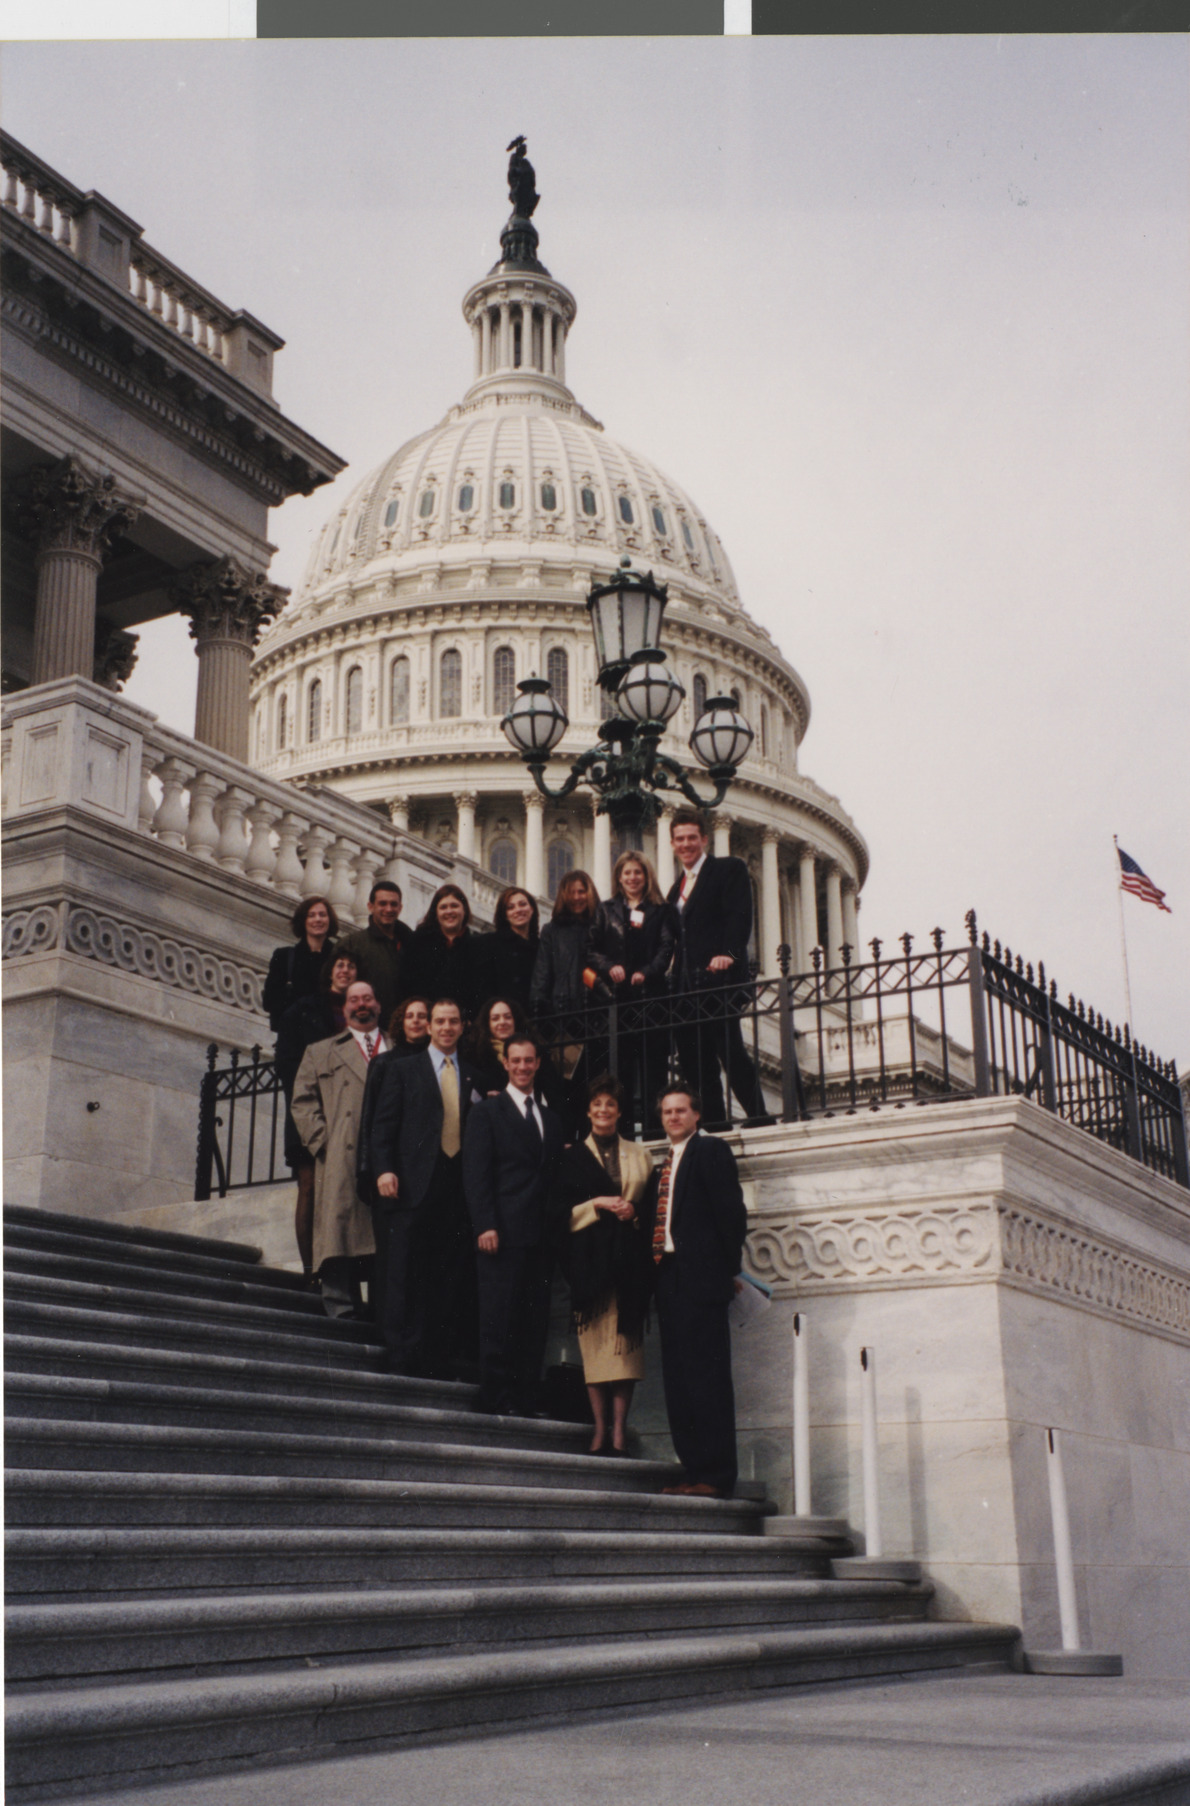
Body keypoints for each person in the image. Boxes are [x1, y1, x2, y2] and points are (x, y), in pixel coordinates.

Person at [366, 997, 486, 1377]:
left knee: (446, 1271)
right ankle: (400, 1353)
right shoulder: (404, 1069)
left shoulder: (473, 1074)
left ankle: (435, 1354)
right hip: (412, 1183)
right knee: (404, 1270)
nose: (447, 1028)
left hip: (455, 1185)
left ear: (461, 1027)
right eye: (440, 1021)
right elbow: (382, 1128)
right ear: (429, 1027)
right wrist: (384, 1170)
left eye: (453, 1021)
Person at [643, 1084, 747, 1499]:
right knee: (679, 1381)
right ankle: (692, 1469)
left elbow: (731, 1215)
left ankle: (716, 1474)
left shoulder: (710, 1151)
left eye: (680, 1110)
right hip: (669, 1280)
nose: (673, 1117)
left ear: (696, 1115)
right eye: (666, 1111)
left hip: (701, 1282)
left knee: (707, 1378)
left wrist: (726, 1271)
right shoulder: (662, 1165)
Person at [462, 1031, 565, 1417]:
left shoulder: (551, 1120)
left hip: (540, 1236)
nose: (523, 1067)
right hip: (500, 1233)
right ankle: (497, 1396)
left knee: (533, 1319)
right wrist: (484, 1224)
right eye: (516, 1060)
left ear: (538, 1064)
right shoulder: (487, 1112)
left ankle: (525, 1398)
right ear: (505, 1064)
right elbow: (476, 1174)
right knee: (498, 1316)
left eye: (529, 1060)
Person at [553, 1076, 654, 1454]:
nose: (603, 1110)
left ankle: (619, 1431)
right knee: (595, 1354)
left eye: (610, 1104)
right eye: (596, 1104)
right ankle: (598, 1429)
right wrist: (596, 1204)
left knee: (625, 1351)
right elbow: (558, 1212)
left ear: (620, 1111)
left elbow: (652, 1205)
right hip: (590, 1266)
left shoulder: (639, 1154)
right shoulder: (571, 1157)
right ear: (588, 1110)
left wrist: (633, 1211)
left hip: (629, 1265)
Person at [289, 980, 387, 1321]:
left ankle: (381, 1307)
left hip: (387, 1153)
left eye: (368, 998)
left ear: (378, 1004)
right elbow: (301, 1101)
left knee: (381, 1231)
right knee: (339, 1227)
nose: (362, 1004)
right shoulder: (321, 1050)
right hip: (341, 1153)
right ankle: (340, 1304)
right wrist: (324, 1142)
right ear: (344, 1009)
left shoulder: (396, 1047)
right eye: (355, 999)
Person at [666, 809, 768, 1128]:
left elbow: (740, 916)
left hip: (716, 979)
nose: (686, 844)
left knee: (730, 1051)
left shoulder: (728, 869)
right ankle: (716, 1124)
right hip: (685, 989)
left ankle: (759, 1115)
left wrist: (728, 954)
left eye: (692, 838)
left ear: (704, 839)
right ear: (672, 844)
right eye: (680, 839)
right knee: (697, 1062)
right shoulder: (675, 889)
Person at [274, 950, 358, 1278]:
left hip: (349, 1112)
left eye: (351, 965)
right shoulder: (304, 1010)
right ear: (329, 972)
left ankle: (336, 1269)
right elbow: (288, 1063)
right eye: (340, 964)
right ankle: (310, 1269)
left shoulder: (364, 1011)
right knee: (309, 1185)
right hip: (312, 1110)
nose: (345, 970)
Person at [587, 851, 678, 1138]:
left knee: (654, 1071)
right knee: (621, 1072)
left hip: (651, 997)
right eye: (627, 873)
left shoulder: (660, 910)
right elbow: (591, 950)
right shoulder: (605, 909)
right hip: (620, 1000)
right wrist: (609, 966)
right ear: (619, 877)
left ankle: (655, 1134)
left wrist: (648, 971)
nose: (632, 878)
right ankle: (622, 1136)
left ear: (646, 875)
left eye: (637, 872)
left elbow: (667, 948)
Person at [530, 869, 602, 1135]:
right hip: (563, 1020)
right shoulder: (552, 931)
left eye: (581, 891)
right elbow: (543, 973)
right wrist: (542, 1017)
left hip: (595, 1018)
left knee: (593, 1088)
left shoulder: (600, 925)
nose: (576, 897)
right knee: (565, 1093)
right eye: (570, 892)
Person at [404, 884, 488, 1023]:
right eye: (443, 907)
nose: (449, 911)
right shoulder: (418, 944)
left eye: (454, 906)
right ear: (435, 913)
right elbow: (408, 987)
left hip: (464, 1026)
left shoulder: (479, 947)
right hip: (426, 1023)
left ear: (465, 910)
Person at [335, 881, 412, 1026]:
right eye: (382, 903)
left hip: (404, 1032)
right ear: (370, 906)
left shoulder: (411, 946)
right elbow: (334, 991)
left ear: (400, 908)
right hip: (364, 1028)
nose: (388, 909)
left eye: (393, 904)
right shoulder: (352, 944)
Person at [263, 897, 338, 1032]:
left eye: (322, 915)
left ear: (329, 920)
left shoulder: (340, 959)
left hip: (328, 1036)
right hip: (294, 1036)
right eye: (311, 915)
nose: (318, 919)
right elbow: (269, 1000)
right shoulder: (284, 957)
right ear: (303, 921)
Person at [482, 886, 540, 1014]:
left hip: (535, 1020)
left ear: (532, 909)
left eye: (523, 904)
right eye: (510, 907)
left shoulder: (541, 947)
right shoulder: (490, 943)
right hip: (503, 1018)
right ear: (505, 915)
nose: (518, 910)